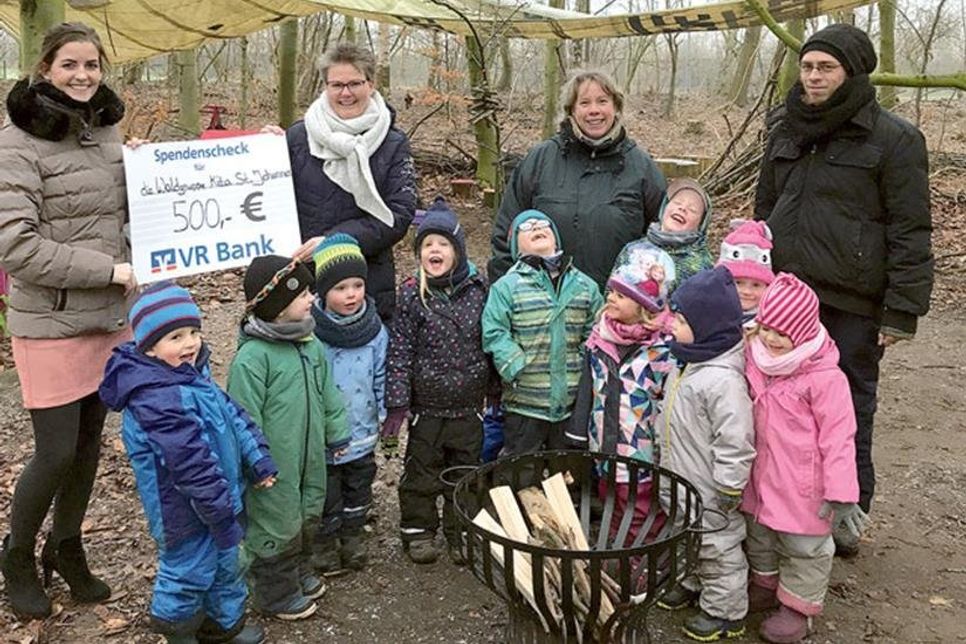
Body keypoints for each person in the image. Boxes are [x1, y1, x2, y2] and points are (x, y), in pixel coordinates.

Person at [755, 23, 933, 555]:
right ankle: (779, 512)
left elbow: (910, 228)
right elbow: (765, 209)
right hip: (785, 299)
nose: (813, 76)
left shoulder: (895, 139)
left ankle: (846, 519)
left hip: (850, 302)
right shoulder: (785, 127)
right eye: (807, 66)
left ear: (851, 73)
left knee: (847, 410)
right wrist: (756, 279)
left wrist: (901, 310)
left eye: (825, 68)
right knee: (776, 408)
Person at [0, 22, 138, 620]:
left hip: (107, 317)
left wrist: (249, 150)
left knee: (87, 446)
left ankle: (66, 547)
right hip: (51, 320)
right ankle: (15, 557)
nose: (83, 75)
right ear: (45, 70)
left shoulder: (105, 132)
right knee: (54, 452)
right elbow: (15, 245)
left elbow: (134, 207)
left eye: (92, 65)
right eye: (69, 65)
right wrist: (108, 270)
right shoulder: (16, 142)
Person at [99, 282, 276, 644]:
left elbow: (232, 416)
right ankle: (178, 630)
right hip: (181, 511)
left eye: (194, 332)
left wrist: (257, 458)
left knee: (227, 564)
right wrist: (219, 510)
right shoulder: (156, 397)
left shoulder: (192, 373)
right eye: (176, 337)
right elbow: (189, 463)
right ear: (149, 346)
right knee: (188, 572)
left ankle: (222, 627)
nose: (191, 343)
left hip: (219, 499)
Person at [742, 273, 865, 644]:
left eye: (782, 333)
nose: (771, 339)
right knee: (759, 534)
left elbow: (840, 438)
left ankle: (798, 607)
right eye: (766, 328)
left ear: (802, 332)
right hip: (759, 473)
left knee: (803, 547)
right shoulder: (754, 354)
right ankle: (765, 585)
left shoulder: (824, 378)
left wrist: (841, 492)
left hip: (802, 483)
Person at [227, 256, 350, 620]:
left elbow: (328, 392)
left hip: (310, 454)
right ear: (278, 306)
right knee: (275, 520)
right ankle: (273, 591)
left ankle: (298, 569)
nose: (312, 298)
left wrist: (336, 431)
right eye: (303, 294)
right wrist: (255, 461)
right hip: (272, 465)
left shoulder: (310, 343)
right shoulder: (253, 358)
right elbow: (242, 418)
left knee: (309, 508)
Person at [385, 197, 495, 565]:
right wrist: (397, 403)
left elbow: (490, 341)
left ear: (458, 251)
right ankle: (418, 530)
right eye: (427, 244)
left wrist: (495, 388)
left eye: (443, 243)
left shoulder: (479, 289)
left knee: (465, 473)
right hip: (426, 408)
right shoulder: (411, 294)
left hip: (468, 407)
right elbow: (399, 350)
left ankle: (461, 530)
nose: (434, 250)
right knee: (421, 472)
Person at [488, 69, 666, 290]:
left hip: (617, 302)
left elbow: (664, 240)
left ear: (615, 107)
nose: (594, 110)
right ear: (571, 110)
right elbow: (506, 235)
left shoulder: (641, 166)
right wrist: (506, 296)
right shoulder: (540, 160)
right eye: (584, 103)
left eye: (602, 101)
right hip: (542, 301)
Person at [282, 43, 417, 321]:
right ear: (325, 86)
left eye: (355, 83)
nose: (345, 93)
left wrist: (334, 242)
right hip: (303, 281)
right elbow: (268, 197)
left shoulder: (393, 143)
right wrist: (265, 149)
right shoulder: (296, 137)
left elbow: (399, 214)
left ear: (371, 84)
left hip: (366, 280)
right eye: (337, 85)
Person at [656, 266, 755, 642]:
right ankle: (693, 583)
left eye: (681, 321)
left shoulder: (723, 380)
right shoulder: (688, 362)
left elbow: (736, 439)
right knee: (687, 535)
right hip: (680, 475)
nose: (671, 325)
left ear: (707, 327)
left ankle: (725, 612)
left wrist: (730, 485)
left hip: (710, 486)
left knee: (718, 546)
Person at [566, 242, 677, 547]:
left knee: (640, 511)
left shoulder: (662, 350)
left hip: (642, 452)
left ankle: (639, 559)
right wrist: (579, 432)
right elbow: (589, 388)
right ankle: (614, 551)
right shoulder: (600, 338)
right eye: (612, 292)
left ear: (644, 305)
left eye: (621, 295)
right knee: (610, 501)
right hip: (604, 445)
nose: (611, 298)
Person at [482, 210, 603, 462]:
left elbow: (596, 330)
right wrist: (514, 363)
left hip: (570, 401)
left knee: (566, 470)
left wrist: (582, 363)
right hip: (524, 400)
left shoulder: (585, 285)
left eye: (543, 224)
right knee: (522, 468)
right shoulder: (506, 287)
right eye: (527, 226)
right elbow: (494, 331)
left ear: (556, 238)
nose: (537, 226)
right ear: (516, 246)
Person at [311, 234, 388, 574]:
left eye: (358, 285)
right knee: (327, 491)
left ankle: (352, 535)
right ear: (323, 290)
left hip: (361, 427)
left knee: (359, 486)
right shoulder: (311, 333)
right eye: (341, 288)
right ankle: (324, 542)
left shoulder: (374, 330)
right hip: (325, 433)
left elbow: (382, 374)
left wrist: (385, 413)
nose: (351, 294)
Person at [639, 177, 714, 288]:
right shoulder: (635, 248)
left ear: (701, 225)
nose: (682, 208)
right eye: (677, 202)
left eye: (692, 210)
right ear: (664, 207)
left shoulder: (701, 268)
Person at [716, 220, 775, 333]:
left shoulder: (771, 323)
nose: (747, 291)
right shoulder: (708, 312)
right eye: (738, 282)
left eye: (756, 285)